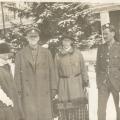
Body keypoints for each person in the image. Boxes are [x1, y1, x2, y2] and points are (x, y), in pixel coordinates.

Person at [14, 27, 57, 120]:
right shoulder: (20, 54)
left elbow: (52, 71)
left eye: (35, 36)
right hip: (28, 92)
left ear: (38, 38)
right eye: (31, 36)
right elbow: (17, 75)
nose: (33, 38)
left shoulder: (47, 53)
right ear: (27, 38)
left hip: (44, 91)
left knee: (45, 116)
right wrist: (18, 91)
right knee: (30, 116)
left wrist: (53, 88)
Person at [55, 36, 89, 120]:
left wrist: (86, 82)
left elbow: (83, 68)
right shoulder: (58, 55)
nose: (66, 43)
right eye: (64, 41)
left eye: (68, 41)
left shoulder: (78, 53)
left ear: (71, 42)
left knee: (78, 106)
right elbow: (55, 73)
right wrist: (55, 88)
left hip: (77, 84)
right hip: (64, 85)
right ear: (62, 42)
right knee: (66, 108)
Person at [96, 23, 120, 120]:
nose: (104, 36)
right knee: (101, 110)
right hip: (103, 83)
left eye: (106, 33)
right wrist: (99, 82)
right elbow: (97, 67)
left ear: (113, 33)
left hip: (117, 82)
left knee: (119, 109)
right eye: (103, 34)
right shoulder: (101, 48)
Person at [0, 43, 22, 120]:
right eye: (4, 53)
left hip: (13, 102)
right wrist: (7, 101)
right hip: (4, 105)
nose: (7, 56)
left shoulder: (9, 65)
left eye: (8, 53)